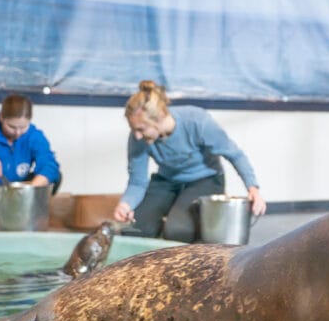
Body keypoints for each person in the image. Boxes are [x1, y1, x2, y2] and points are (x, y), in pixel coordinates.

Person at [113, 80, 267, 242]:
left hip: (205, 180)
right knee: (134, 230)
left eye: (141, 129)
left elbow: (235, 154)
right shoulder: (138, 138)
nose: (137, 135)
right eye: (133, 129)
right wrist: (125, 205)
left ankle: (188, 229)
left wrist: (253, 188)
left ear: (158, 118)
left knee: (178, 231)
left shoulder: (196, 121)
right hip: (167, 181)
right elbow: (137, 182)